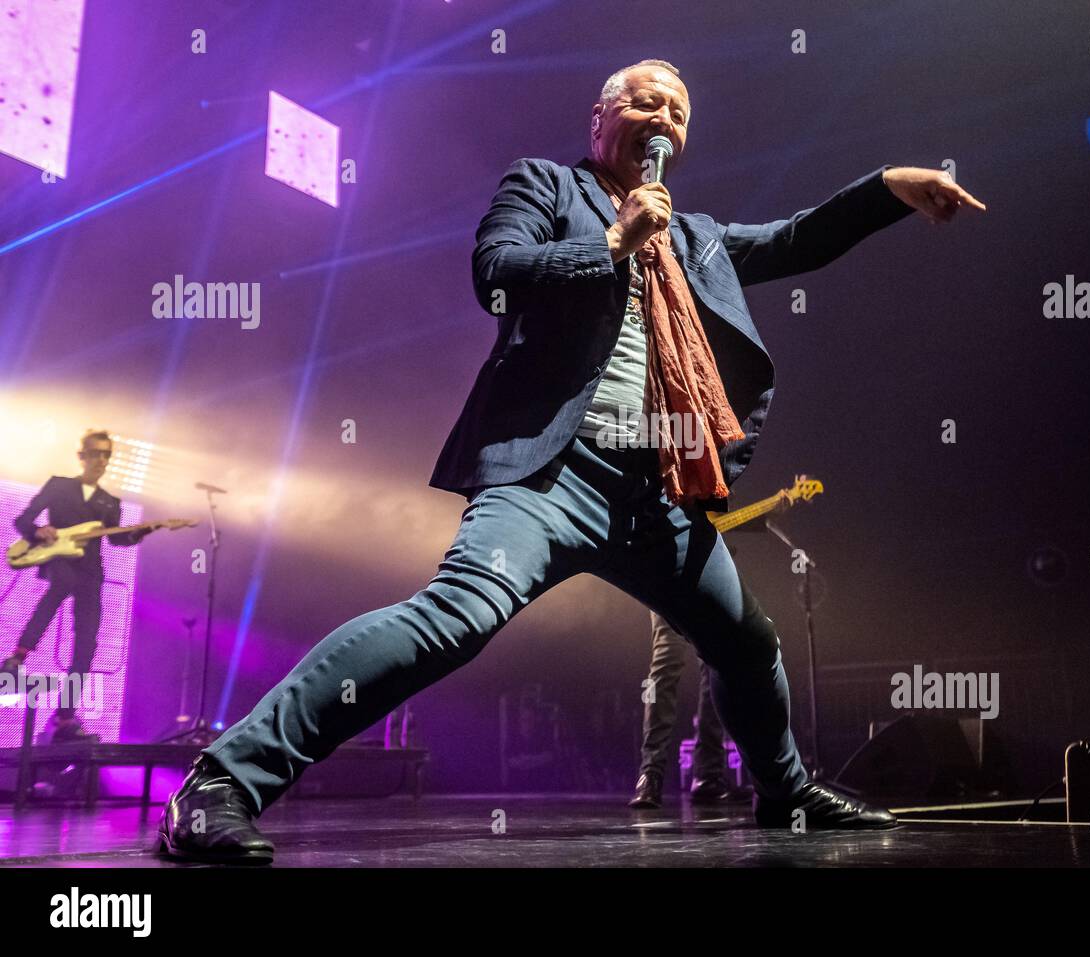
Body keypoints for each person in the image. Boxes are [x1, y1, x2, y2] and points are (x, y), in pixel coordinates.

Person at [159, 58, 985, 864]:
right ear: (600, 121)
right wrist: (613, 243)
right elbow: (497, 272)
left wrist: (887, 189)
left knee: (745, 642)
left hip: (658, 489)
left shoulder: (696, 240)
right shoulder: (547, 186)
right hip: (552, 473)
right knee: (455, 618)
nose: (664, 120)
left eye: (679, 113)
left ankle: (787, 789)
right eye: (647, 102)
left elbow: (799, 238)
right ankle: (222, 778)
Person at [3, 430, 154, 741]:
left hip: (90, 572)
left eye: (107, 455)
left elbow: (115, 539)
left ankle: (64, 717)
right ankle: (16, 658)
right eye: (96, 453)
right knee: (59, 586)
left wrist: (137, 533)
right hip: (59, 558)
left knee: (86, 644)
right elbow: (23, 519)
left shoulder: (109, 502)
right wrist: (38, 531)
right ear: (82, 456)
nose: (101, 460)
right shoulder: (59, 485)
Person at [629, 609, 751, 808]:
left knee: (712, 664)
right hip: (668, 580)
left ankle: (705, 777)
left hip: (697, 579)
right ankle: (652, 775)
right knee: (668, 661)